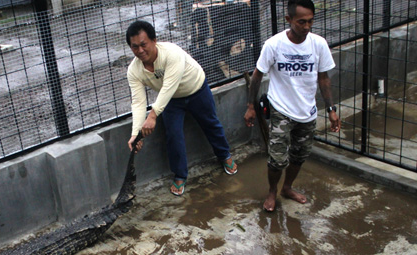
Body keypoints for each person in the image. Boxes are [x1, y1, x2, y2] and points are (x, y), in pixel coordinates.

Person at [244, 0, 340, 212]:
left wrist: (332, 110)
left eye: (310, 22)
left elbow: (323, 79)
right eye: (301, 22)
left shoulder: (318, 44)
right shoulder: (274, 44)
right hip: (281, 110)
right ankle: (272, 191)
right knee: (277, 159)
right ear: (288, 20)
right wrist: (251, 106)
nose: (306, 27)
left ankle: (287, 188)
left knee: (299, 155)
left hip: (307, 112)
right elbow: (257, 75)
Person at [126, 20, 237, 196]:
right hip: (171, 100)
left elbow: (170, 84)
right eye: (134, 47)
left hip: (196, 88)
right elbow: (138, 102)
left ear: (154, 40)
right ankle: (180, 175)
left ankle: (225, 155)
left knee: (211, 124)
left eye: (143, 44)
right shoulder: (134, 70)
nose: (140, 50)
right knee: (173, 135)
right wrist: (135, 134)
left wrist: (153, 116)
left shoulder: (171, 53)